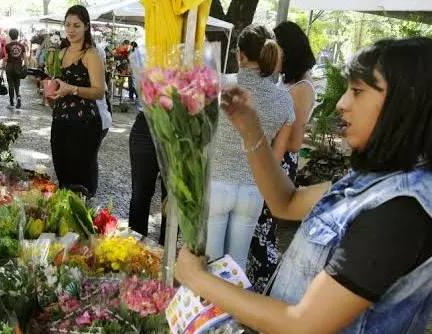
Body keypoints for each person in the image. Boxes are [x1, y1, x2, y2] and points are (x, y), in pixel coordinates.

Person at [176, 37, 432, 334]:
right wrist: (251, 129)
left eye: (358, 91)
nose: (341, 104)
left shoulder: (400, 211)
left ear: (407, 102)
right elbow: (285, 202)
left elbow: (303, 324)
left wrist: (198, 279)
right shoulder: (374, 181)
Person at [206, 23, 294, 270]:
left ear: (240, 54)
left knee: (209, 265)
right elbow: (275, 159)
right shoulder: (284, 99)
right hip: (252, 191)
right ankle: (233, 309)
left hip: (216, 183)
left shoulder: (220, 86)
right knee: (237, 267)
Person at [247, 20, 318, 293]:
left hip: (279, 162)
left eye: (276, 48)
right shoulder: (284, 82)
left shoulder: (301, 88)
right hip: (267, 156)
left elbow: (295, 142)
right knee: (254, 226)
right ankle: (250, 285)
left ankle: (266, 290)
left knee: (262, 229)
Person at [49, 5, 105, 197]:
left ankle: (84, 218)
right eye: (67, 25)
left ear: (86, 27)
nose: (71, 30)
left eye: (76, 25)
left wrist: (71, 89)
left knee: (81, 178)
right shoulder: (61, 53)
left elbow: (99, 92)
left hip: (84, 124)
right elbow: (58, 85)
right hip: (60, 121)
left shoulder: (91, 55)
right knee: (63, 175)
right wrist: (50, 91)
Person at [128, 99, 168, 244]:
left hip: (177, 126)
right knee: (139, 194)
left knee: (172, 199)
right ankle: (135, 252)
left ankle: (166, 256)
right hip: (145, 125)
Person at [4, 28, 26, 109]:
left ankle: (11, 102)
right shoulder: (22, 46)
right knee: (17, 84)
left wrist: (3, 65)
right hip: (18, 67)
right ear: (18, 35)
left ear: (10, 36)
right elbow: (24, 57)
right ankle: (18, 97)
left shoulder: (7, 46)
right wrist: (25, 66)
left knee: (11, 85)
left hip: (9, 67)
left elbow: (6, 58)